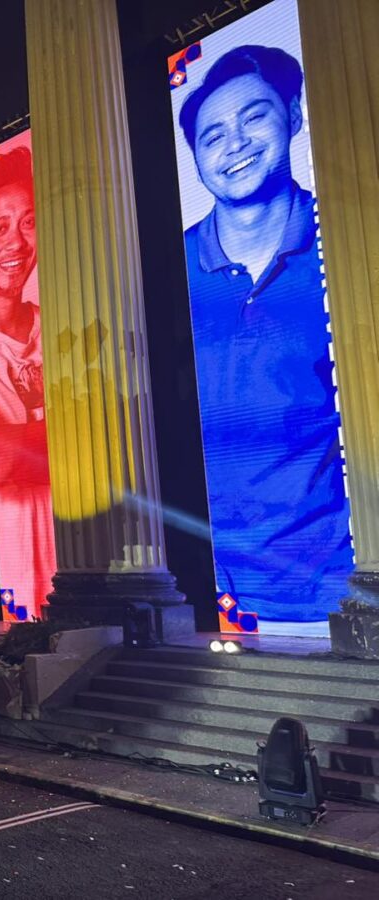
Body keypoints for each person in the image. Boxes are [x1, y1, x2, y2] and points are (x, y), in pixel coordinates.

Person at [178, 44, 351, 618]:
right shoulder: (163, 273)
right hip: (204, 594)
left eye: (255, 116)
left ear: (295, 116)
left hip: (333, 593)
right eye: (213, 135)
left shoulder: (345, 247)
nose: (236, 145)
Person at [0, 144, 55, 620]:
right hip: (14, 549)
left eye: (28, 223)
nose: (18, 243)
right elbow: (2, 462)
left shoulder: (54, 330)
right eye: (0, 228)